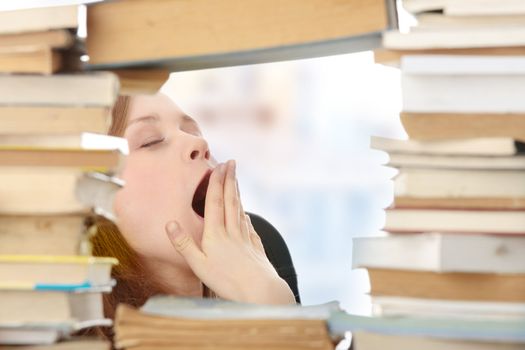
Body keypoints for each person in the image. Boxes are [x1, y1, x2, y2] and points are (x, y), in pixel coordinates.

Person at [89, 93, 297, 328]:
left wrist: (272, 302)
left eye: (193, 132)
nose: (199, 144)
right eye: (151, 141)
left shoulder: (264, 250)